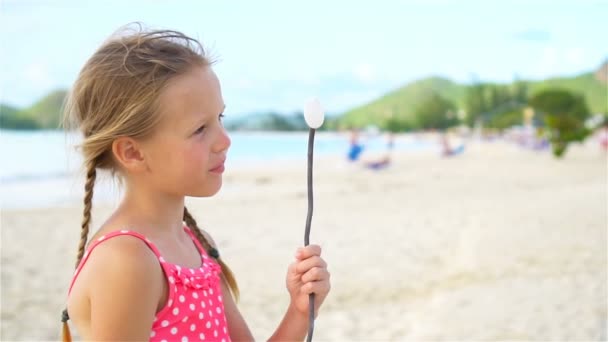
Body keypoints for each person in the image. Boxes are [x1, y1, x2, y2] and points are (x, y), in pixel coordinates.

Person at [61, 23, 330, 341]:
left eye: (220, 119)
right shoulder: (126, 262)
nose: (224, 140)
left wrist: (299, 311)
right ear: (132, 152)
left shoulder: (199, 243)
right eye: (200, 129)